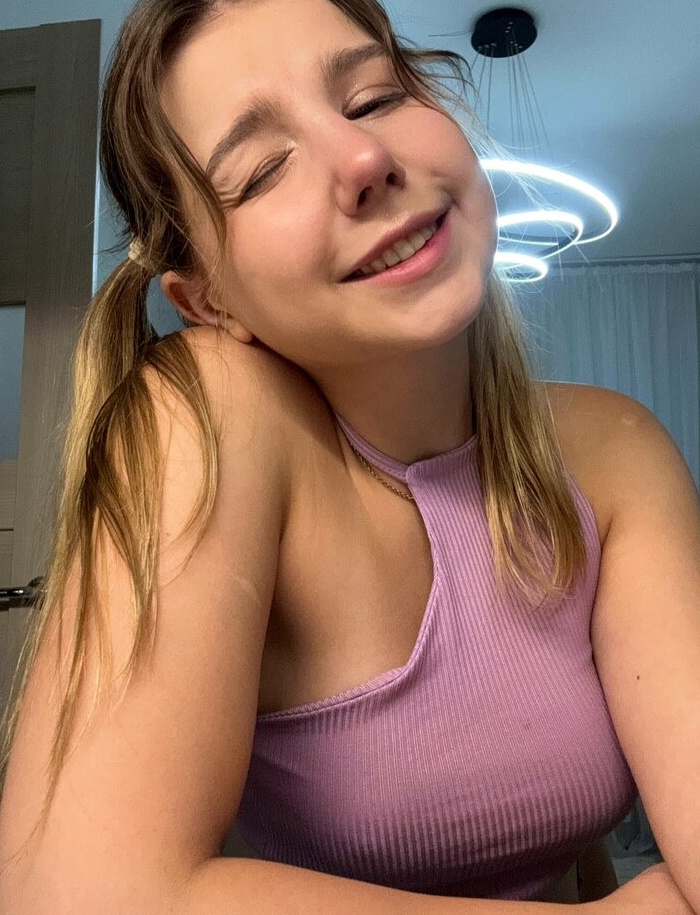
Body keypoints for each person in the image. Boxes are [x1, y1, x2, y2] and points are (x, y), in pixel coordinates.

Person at [0, 0, 698, 911]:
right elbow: (78, 890)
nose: (366, 158)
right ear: (205, 298)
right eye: (262, 171)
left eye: (374, 98)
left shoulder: (615, 449)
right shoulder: (208, 410)